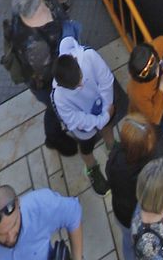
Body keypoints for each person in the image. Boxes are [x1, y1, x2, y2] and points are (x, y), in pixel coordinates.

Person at [46, 29, 117, 191]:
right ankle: (92, 168)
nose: (81, 85)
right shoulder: (58, 98)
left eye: (80, 79)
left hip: (104, 106)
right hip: (85, 127)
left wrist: (106, 109)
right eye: (76, 86)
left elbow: (106, 81)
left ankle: (111, 145)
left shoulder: (89, 56)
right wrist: (101, 119)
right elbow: (76, 120)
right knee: (86, 147)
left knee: (108, 127)